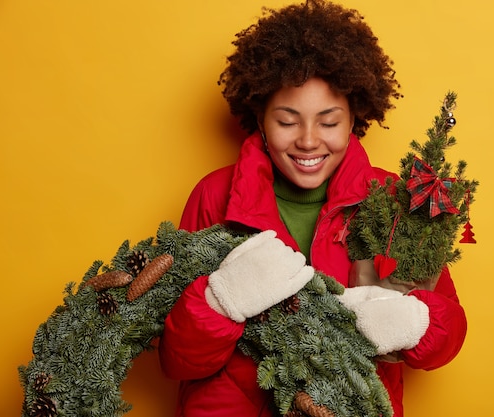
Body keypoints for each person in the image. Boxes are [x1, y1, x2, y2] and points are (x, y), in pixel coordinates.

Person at [159, 1, 467, 416]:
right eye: (287, 121)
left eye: (328, 121)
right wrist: (221, 301)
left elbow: (447, 331)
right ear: (260, 118)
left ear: (355, 117)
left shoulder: (394, 198)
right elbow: (177, 358)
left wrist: (415, 323)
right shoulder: (214, 194)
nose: (307, 140)